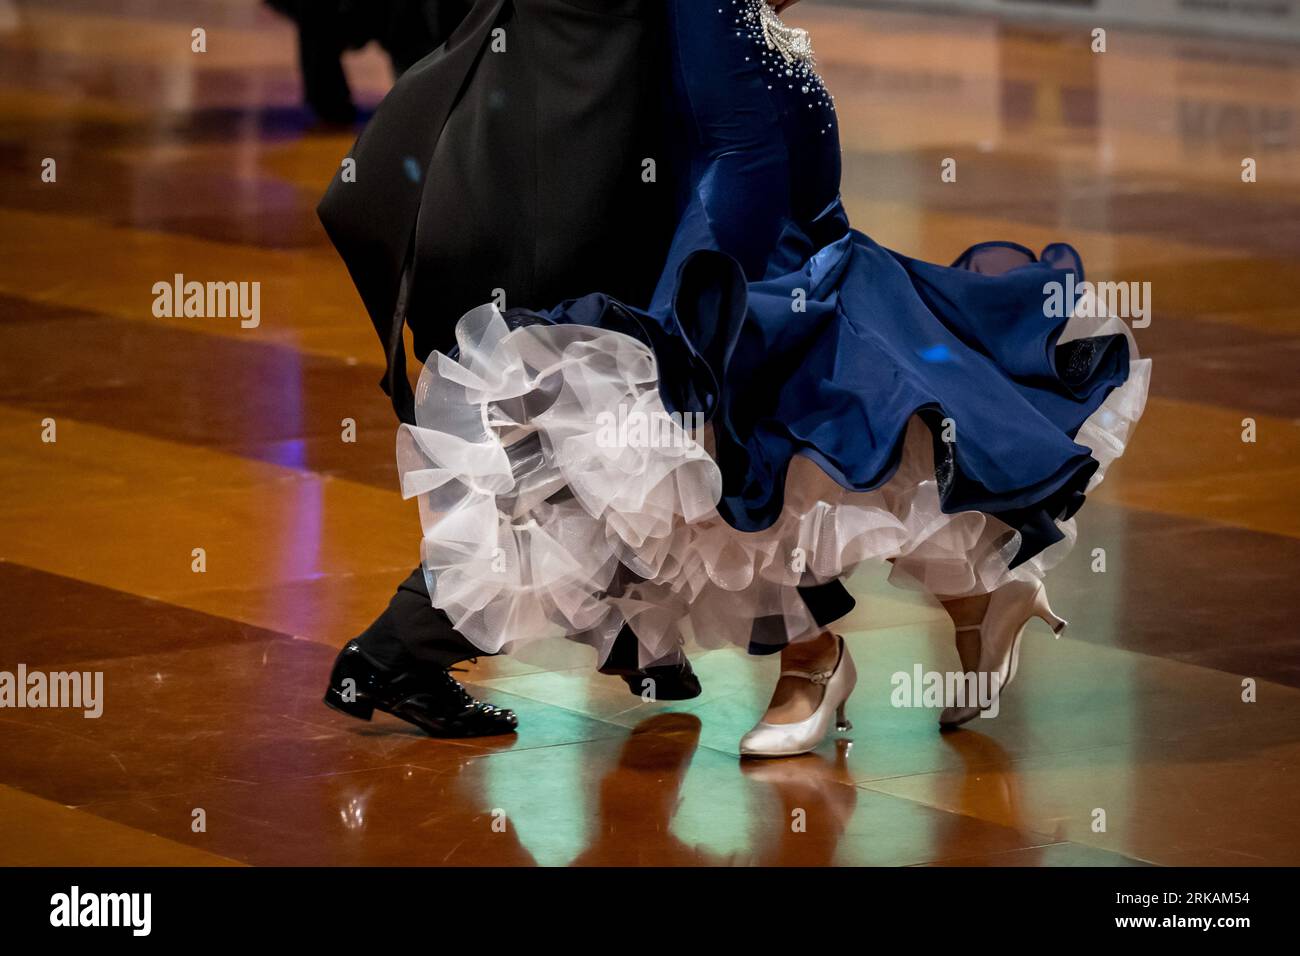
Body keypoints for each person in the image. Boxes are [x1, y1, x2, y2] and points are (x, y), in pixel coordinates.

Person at [393, 0, 1151, 756]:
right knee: (813, 456)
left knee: (743, 459)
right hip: (774, 218)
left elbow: (743, 149)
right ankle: (966, 602)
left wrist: (698, 310)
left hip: (759, 243)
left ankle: (826, 660)